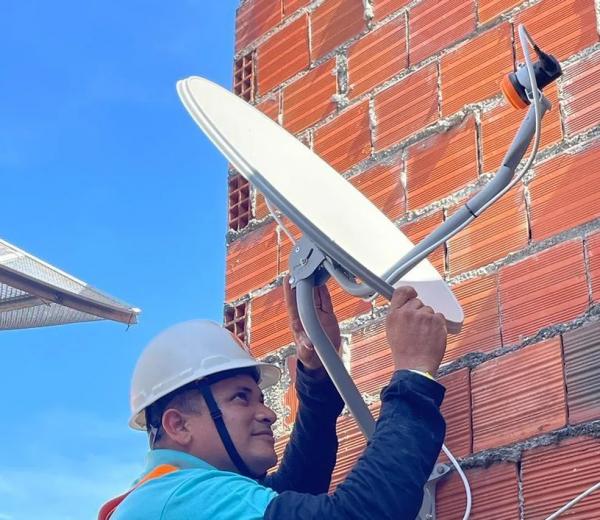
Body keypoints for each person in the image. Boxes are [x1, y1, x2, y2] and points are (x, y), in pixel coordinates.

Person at [99, 281, 448, 520]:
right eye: (241, 398)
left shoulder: (162, 498)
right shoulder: (183, 497)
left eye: (260, 398)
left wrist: (317, 370)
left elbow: (294, 490)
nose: (267, 414)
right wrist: (414, 373)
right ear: (179, 425)